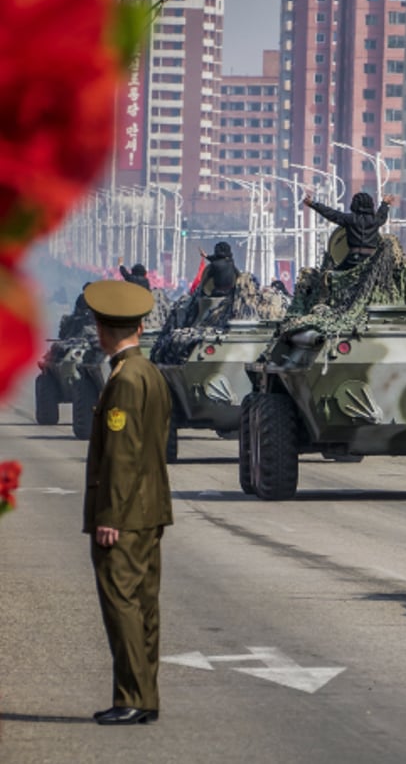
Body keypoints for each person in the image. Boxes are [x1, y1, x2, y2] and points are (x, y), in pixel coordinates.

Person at [81, 280, 173, 726]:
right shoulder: (149, 372)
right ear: (139, 325)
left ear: (102, 329)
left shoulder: (124, 379)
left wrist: (109, 517)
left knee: (122, 605)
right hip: (150, 509)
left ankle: (133, 696)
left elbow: (122, 454)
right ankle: (145, 697)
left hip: (127, 514)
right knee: (143, 605)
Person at [303, 191, 394, 270]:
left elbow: (330, 213)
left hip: (352, 259)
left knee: (333, 275)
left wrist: (313, 204)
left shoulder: (349, 219)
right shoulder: (375, 220)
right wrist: (384, 204)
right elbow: (382, 215)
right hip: (371, 259)